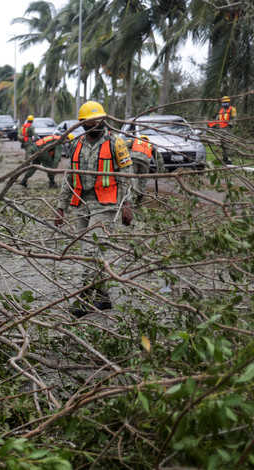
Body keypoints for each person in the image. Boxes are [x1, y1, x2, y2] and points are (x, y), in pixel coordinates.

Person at [54, 102, 134, 318]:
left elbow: (128, 176)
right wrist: (61, 208)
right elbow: (69, 176)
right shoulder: (76, 143)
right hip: (82, 202)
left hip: (105, 202)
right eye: (90, 121)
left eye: (98, 120)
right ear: (82, 124)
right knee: (90, 252)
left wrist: (127, 204)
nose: (95, 124)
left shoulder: (116, 142)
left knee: (91, 250)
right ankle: (103, 296)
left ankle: (83, 298)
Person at [128, 134, 164, 203]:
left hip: (133, 159)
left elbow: (124, 145)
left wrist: (127, 155)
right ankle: (139, 198)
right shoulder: (150, 145)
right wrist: (161, 168)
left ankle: (131, 193)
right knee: (143, 180)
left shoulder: (134, 140)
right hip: (145, 161)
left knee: (130, 176)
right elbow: (159, 157)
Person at [212, 95, 237, 165]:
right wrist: (212, 124)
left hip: (228, 130)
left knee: (228, 145)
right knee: (222, 145)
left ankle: (229, 160)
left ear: (229, 102)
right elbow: (217, 120)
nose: (225, 104)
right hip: (221, 130)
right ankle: (224, 159)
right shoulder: (221, 110)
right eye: (223, 102)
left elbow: (235, 119)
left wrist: (230, 123)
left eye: (226, 102)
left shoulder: (232, 109)